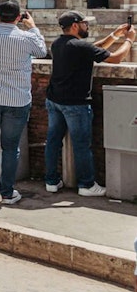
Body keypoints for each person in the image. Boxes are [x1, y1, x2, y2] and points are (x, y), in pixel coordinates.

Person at [44, 11, 134, 197]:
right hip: (75, 104)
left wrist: (115, 35)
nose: (87, 26)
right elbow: (116, 58)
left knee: (53, 142)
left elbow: (92, 49)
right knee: (81, 145)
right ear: (76, 25)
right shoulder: (80, 47)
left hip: (55, 100)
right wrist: (129, 40)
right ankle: (86, 185)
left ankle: (51, 181)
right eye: (85, 23)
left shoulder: (58, 43)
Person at [0, 0, 47, 205]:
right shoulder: (25, 37)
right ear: (18, 18)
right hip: (16, 99)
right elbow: (42, 51)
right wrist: (32, 26)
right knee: (11, 147)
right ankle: (6, 192)